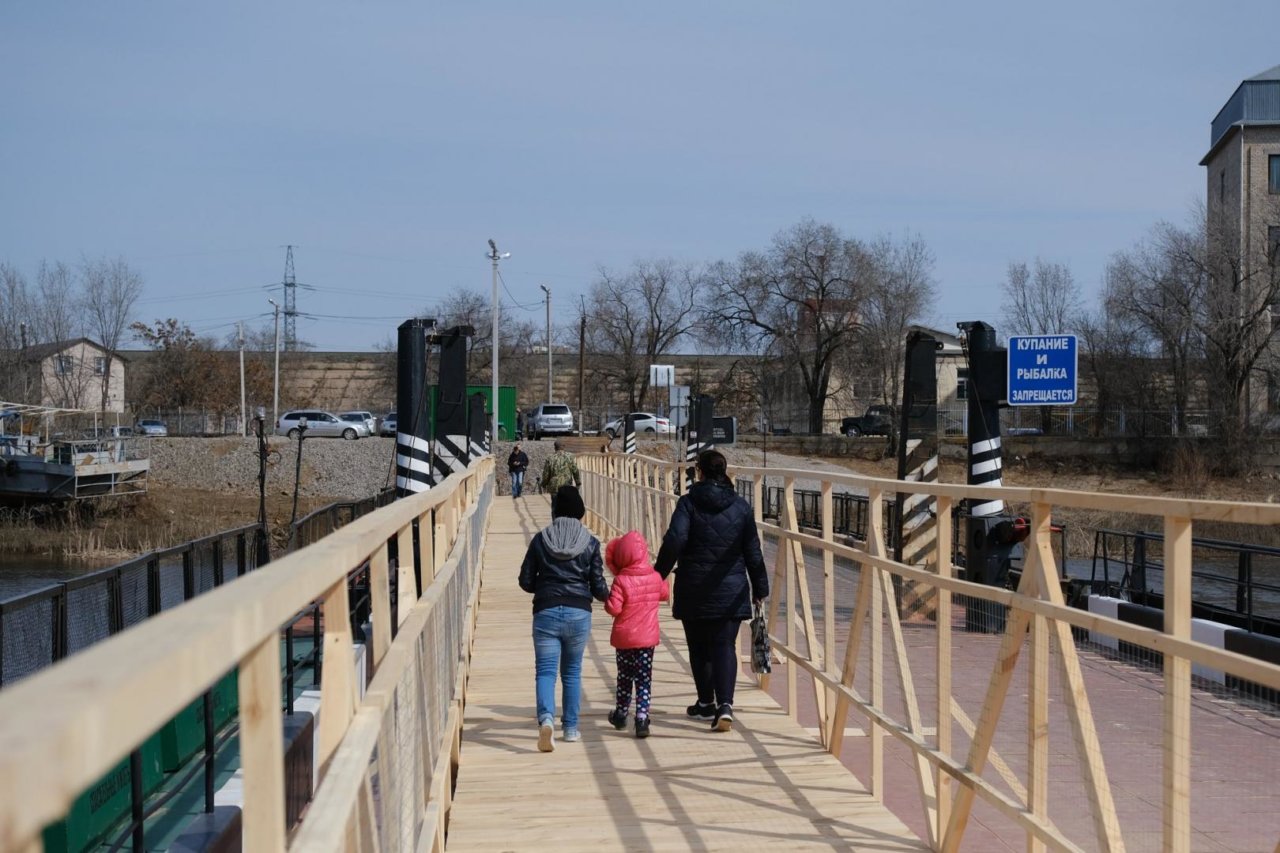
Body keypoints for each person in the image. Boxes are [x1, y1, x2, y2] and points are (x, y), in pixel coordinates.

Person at [655, 449, 768, 732]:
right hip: (731, 588)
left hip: (693, 586)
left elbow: (676, 539)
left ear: (700, 472)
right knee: (724, 645)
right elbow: (753, 552)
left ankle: (705, 702)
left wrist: (658, 574)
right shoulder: (741, 507)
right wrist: (760, 588)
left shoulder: (688, 503)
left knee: (698, 646)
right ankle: (725, 705)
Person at [518, 485, 608, 752]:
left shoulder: (540, 539)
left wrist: (544, 589)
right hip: (579, 613)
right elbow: (599, 585)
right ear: (580, 511)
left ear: (555, 510)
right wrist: (613, 598)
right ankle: (570, 728)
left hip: (545, 611)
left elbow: (525, 581)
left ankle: (546, 720)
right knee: (572, 672)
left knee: (545, 672)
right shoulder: (590, 543)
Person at [603, 530, 669, 739]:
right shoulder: (654, 577)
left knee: (624, 676)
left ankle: (621, 714)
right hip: (646, 639)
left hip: (624, 639)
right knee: (643, 677)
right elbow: (664, 594)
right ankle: (641, 717)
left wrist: (607, 600)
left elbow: (614, 608)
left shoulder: (621, 580)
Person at [540, 439, 581, 510]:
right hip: (566, 485)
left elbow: (546, 473)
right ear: (564, 447)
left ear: (555, 447)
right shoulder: (570, 456)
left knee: (555, 507)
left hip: (554, 487)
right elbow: (575, 470)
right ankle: (564, 520)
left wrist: (544, 484)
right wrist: (578, 482)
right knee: (566, 506)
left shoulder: (550, 458)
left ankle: (556, 520)